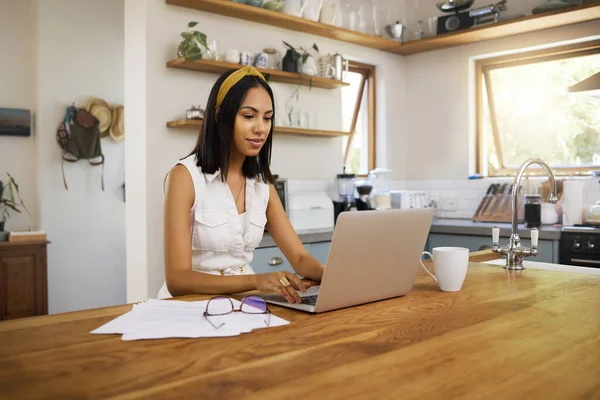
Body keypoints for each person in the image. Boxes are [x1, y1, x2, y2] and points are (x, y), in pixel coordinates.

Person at [158, 66, 325, 304]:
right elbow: (178, 281)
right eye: (249, 116)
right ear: (219, 116)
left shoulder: (262, 183)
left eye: (267, 118)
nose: (261, 128)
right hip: (190, 308)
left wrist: (336, 276)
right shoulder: (184, 178)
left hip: (247, 305)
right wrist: (256, 281)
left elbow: (299, 257)